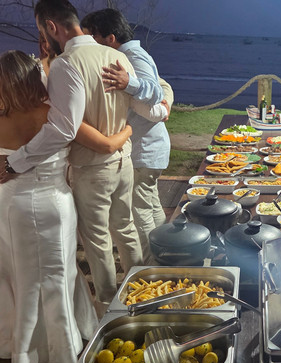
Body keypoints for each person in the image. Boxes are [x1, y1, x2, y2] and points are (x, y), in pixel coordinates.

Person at [0, 0, 165, 316]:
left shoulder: (67, 64)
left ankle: (109, 310)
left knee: (98, 241)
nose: (43, 39)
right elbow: (149, 107)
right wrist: (139, 120)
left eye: (42, 31)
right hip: (124, 161)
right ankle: (145, 295)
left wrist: (15, 161)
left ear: (51, 26)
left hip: (92, 167)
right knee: (126, 229)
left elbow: (64, 128)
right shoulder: (118, 57)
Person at [0, 50, 132, 363]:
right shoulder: (56, 116)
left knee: (16, 275)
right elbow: (105, 144)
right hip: (54, 205)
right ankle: (63, 344)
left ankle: (18, 346)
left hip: (10, 206)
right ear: (34, 77)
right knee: (59, 272)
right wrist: (128, 130)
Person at [81, 8, 173, 264]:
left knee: (140, 214)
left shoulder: (131, 56)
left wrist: (128, 83)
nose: (89, 43)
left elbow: (155, 92)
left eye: (92, 37)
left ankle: (151, 268)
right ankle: (166, 257)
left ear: (110, 38)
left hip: (144, 150)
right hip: (150, 149)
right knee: (151, 207)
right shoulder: (130, 54)